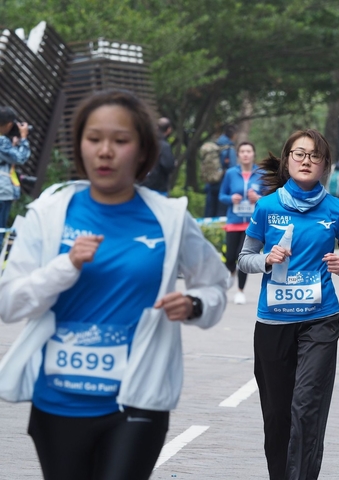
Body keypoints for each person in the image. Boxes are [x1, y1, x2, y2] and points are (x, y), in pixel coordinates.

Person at [0, 89, 229, 480]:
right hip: (59, 401)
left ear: (142, 151)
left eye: (120, 141)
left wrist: (194, 304)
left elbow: (214, 285)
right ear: (80, 146)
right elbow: (9, 303)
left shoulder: (170, 217)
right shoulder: (49, 213)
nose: (105, 151)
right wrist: (65, 265)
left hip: (138, 399)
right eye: (94, 139)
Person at [237, 129, 339, 480]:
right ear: (287, 160)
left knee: (306, 406)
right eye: (299, 154)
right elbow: (244, 259)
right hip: (273, 324)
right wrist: (266, 259)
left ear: (324, 164)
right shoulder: (267, 207)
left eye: (314, 155)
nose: (306, 161)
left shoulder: (338, 210)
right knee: (277, 415)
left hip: (320, 321)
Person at [219, 141, 264, 305]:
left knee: (242, 257)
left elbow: (270, 197)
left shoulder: (261, 174)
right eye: (242, 151)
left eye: (248, 151)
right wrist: (231, 198)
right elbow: (221, 195)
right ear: (238, 155)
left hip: (252, 224)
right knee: (230, 257)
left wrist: (258, 198)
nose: (245, 154)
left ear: (253, 154)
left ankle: (240, 291)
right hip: (234, 221)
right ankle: (231, 273)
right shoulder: (231, 173)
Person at [0, 106, 31, 228]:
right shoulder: (2, 141)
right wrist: (23, 137)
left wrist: (12, 146)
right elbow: (21, 158)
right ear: (9, 124)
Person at [204, 124, 238, 218]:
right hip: (223, 183)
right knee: (221, 213)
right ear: (234, 135)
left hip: (211, 182)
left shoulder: (215, 145)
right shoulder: (229, 149)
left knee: (210, 211)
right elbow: (232, 168)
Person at [141, 117, 176, 195]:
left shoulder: (145, 142)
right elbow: (168, 165)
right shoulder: (164, 146)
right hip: (158, 187)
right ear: (169, 130)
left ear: (156, 127)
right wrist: (173, 164)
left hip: (142, 184)